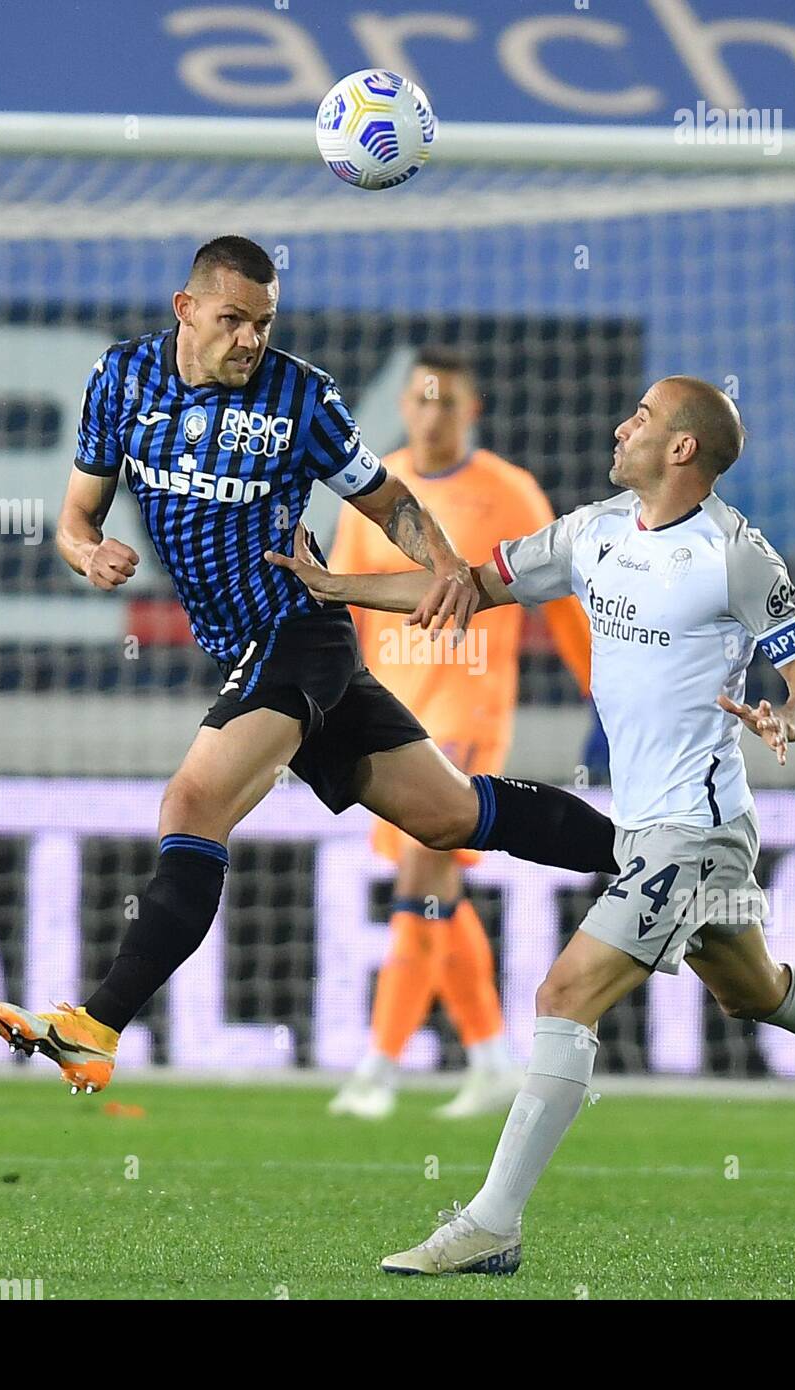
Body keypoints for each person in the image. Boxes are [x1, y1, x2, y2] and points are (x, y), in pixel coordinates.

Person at [268, 374, 795, 1276]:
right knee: (753, 993)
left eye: (641, 418)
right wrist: (331, 583)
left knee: (565, 996)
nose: (620, 425)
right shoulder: (592, 533)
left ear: (682, 448)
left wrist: (780, 721)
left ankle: (493, 1222)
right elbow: (465, 585)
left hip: (699, 830)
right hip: (643, 825)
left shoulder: (736, 555)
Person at [0, 236, 618, 1094]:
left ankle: (97, 1025)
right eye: (234, 319)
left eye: (264, 322)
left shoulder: (303, 396)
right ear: (187, 309)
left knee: (193, 802)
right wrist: (86, 553)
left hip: (296, 633)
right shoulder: (120, 381)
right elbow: (74, 518)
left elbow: (392, 503)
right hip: (259, 652)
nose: (250, 339)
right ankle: (647, 860)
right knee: (449, 816)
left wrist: (443, 570)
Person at [327, 347, 591, 1121]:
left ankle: (377, 1070)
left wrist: (601, 692)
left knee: (422, 867)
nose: (432, 413)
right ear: (403, 408)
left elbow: (564, 602)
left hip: (471, 718)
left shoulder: (510, 494)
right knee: (441, 894)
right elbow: (345, 610)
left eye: (447, 401)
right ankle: (489, 1058)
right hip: (390, 717)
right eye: (420, 399)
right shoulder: (374, 497)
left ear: (471, 410)